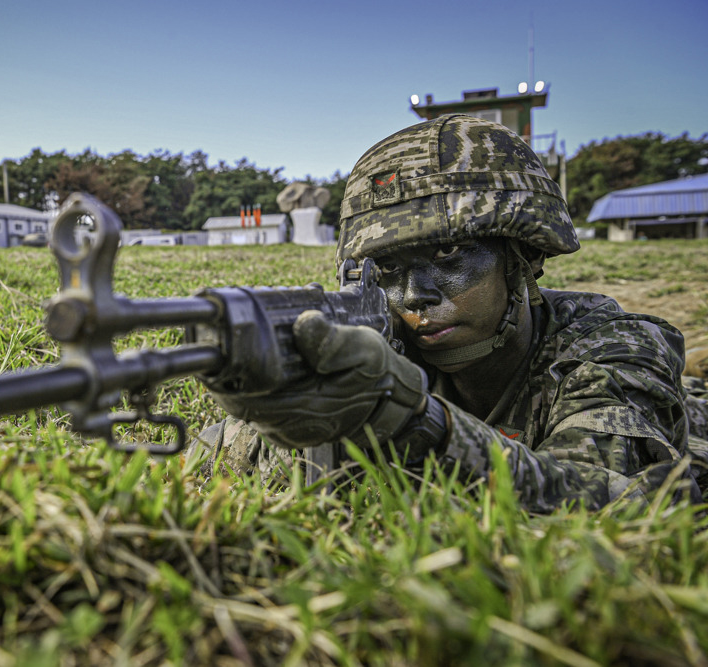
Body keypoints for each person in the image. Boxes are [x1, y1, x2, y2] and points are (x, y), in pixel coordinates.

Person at [190, 114, 708, 513]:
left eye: (448, 255)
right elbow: (215, 463)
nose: (415, 294)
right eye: (387, 268)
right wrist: (285, 420)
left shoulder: (611, 348)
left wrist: (414, 423)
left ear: (521, 256)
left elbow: (611, 506)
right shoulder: (381, 341)